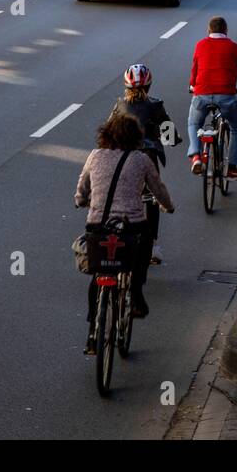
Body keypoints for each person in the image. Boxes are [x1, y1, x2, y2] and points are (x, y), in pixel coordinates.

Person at [75, 113, 174, 352]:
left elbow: (82, 185)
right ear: (136, 137)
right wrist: (168, 206)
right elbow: (157, 187)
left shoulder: (95, 155)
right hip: (131, 227)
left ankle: (92, 333)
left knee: (98, 274)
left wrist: (80, 200)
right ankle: (136, 295)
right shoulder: (141, 160)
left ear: (107, 134)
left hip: (98, 225)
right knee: (144, 245)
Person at [107, 64, 180, 264]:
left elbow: (107, 133)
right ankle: (153, 247)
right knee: (153, 199)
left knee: (116, 195)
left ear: (126, 86)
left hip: (120, 160)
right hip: (147, 159)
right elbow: (170, 136)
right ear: (148, 86)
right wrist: (172, 138)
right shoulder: (155, 106)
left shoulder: (120, 107)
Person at [187, 16, 237, 179]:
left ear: (208, 30)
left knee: (194, 122)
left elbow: (194, 69)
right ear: (226, 31)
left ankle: (196, 156)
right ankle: (231, 167)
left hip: (201, 95)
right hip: (226, 96)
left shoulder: (200, 45)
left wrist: (192, 85)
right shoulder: (234, 47)